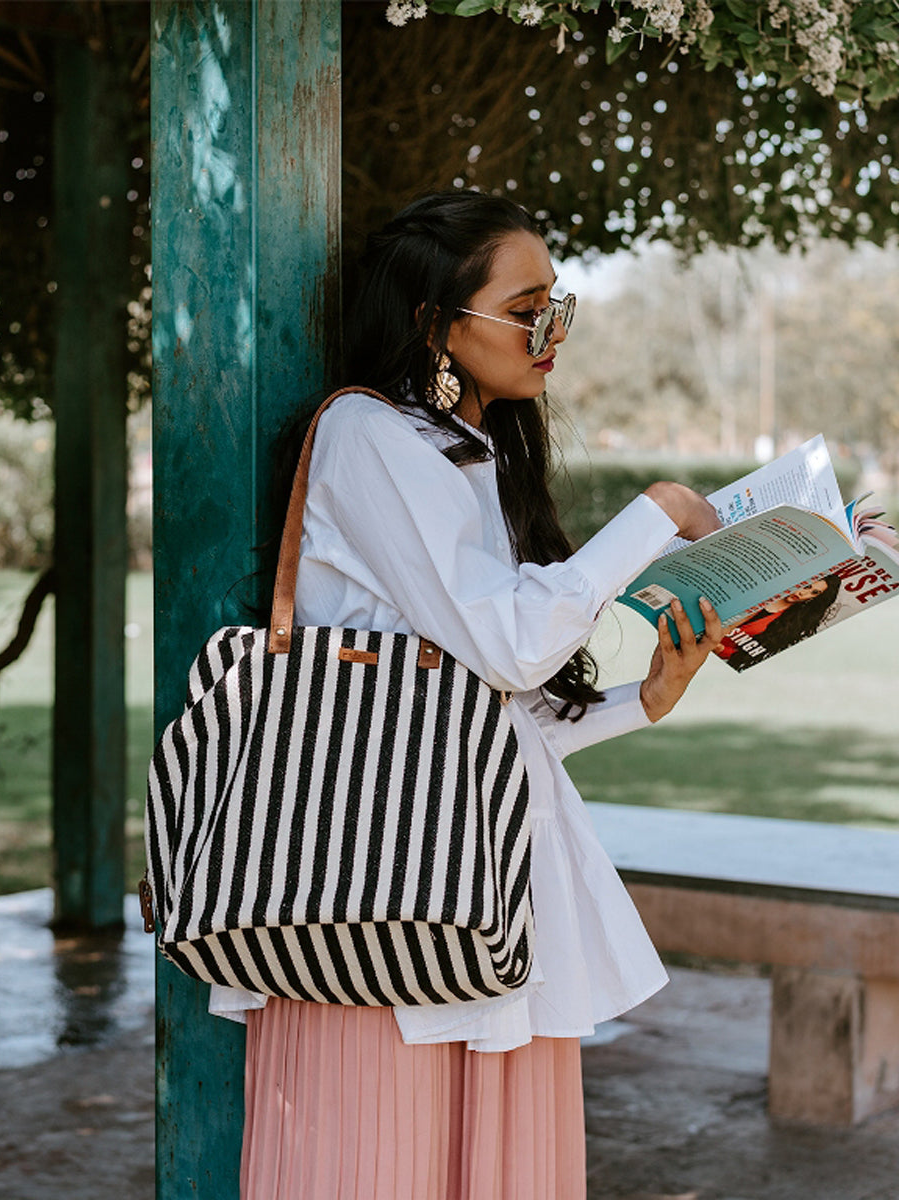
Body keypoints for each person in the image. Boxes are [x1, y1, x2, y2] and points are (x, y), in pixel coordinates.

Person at [217, 190, 724, 1200]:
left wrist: (644, 699)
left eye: (558, 306)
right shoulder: (366, 434)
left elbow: (477, 718)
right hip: (376, 902)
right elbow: (508, 642)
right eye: (527, 309)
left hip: (479, 899)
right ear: (434, 323)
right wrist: (659, 512)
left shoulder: (471, 452)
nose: (551, 333)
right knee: (376, 1165)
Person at [718, 574, 842, 663]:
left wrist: (719, 649)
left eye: (814, 593)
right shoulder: (762, 590)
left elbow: (749, 654)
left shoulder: (789, 623)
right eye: (807, 586)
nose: (803, 593)